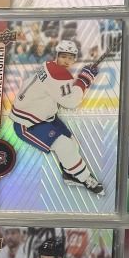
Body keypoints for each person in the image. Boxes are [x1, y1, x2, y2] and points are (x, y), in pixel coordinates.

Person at [9, 39, 104, 196]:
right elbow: (71, 102)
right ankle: (85, 178)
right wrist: (84, 79)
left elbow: (61, 90)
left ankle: (69, 174)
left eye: (70, 57)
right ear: (57, 55)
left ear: (74, 59)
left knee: (72, 143)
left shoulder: (49, 65)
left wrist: (82, 79)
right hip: (27, 123)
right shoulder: (58, 73)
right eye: (63, 56)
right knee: (65, 146)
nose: (66, 61)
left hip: (43, 116)